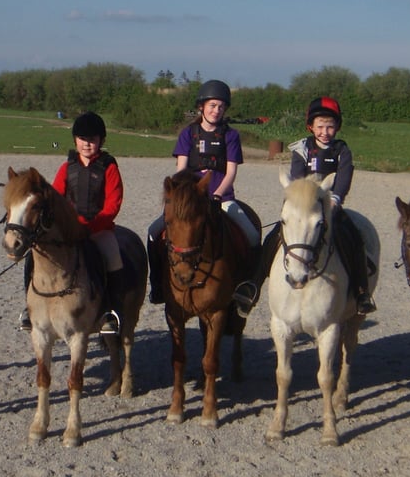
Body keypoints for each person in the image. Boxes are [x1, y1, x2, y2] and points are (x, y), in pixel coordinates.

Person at [232, 96, 375, 316]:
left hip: (330, 206)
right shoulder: (302, 148)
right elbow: (297, 179)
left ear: (337, 127)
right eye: (320, 126)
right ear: (311, 126)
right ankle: (253, 285)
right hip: (303, 206)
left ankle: (361, 292)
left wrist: (336, 198)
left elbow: (344, 177)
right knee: (273, 238)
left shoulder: (341, 150)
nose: (325, 131)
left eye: (330, 126)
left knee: (354, 238)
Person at [146, 79, 259, 304]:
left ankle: (246, 286)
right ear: (201, 107)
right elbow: (181, 171)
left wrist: (217, 194)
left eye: (220, 106)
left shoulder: (231, 136)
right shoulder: (188, 133)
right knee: (153, 232)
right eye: (212, 106)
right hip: (191, 201)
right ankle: (158, 283)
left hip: (222, 197)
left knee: (253, 236)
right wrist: (183, 197)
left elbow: (231, 172)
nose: (216, 110)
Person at [17, 112, 123, 334]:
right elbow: (56, 199)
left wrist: (91, 227)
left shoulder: (109, 167)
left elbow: (113, 204)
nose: (87, 144)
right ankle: (28, 309)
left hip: (98, 228)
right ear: (75, 140)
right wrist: (65, 227)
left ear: (101, 141)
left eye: (92, 139)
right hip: (69, 230)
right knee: (33, 255)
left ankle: (109, 312)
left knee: (112, 257)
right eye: (83, 139)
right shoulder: (67, 167)